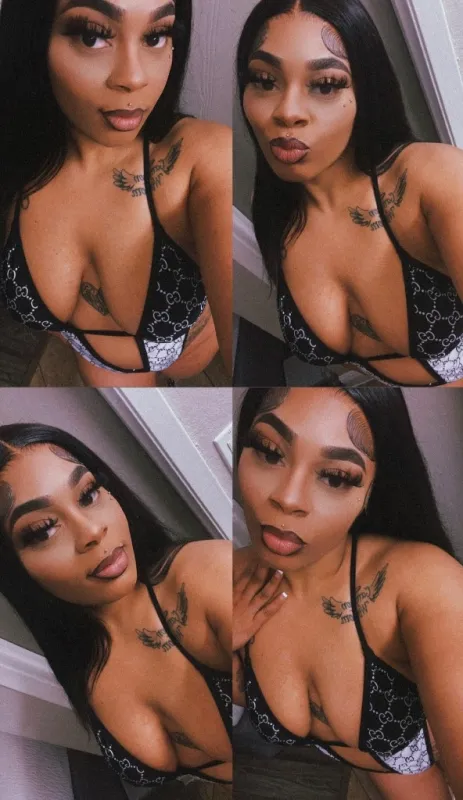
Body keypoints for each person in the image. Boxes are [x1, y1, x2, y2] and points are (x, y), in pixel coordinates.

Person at [233, 387, 463, 799]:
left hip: (410, 760)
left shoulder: (423, 582)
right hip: (365, 762)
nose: (287, 498)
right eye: (269, 452)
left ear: (371, 491)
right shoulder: (225, 582)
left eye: (336, 477)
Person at [0, 0, 232, 387]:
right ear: (33, 36)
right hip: (95, 360)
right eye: (92, 37)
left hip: (184, 352)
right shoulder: (17, 160)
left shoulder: (200, 159)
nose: (134, 78)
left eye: (156, 37)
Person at [236, 0, 463, 386]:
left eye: (325, 85)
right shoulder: (274, 209)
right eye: (265, 80)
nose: (287, 112)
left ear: (365, 91)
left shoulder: (435, 180)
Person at [0, 423, 232, 788]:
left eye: (88, 493)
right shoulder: (78, 657)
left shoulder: (208, 575)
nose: (92, 532)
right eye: (44, 529)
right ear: (13, 567)